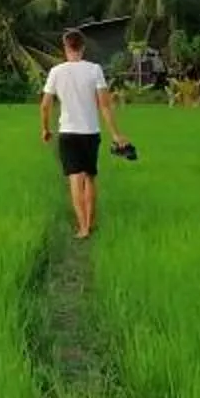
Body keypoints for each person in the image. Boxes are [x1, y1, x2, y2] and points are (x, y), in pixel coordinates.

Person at [38, 30, 132, 241]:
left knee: (75, 179)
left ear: (65, 47)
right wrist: (116, 134)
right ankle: (90, 222)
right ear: (83, 47)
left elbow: (45, 106)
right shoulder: (94, 70)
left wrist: (45, 129)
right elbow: (105, 105)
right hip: (91, 132)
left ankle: (83, 228)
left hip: (68, 133)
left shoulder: (56, 71)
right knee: (90, 177)